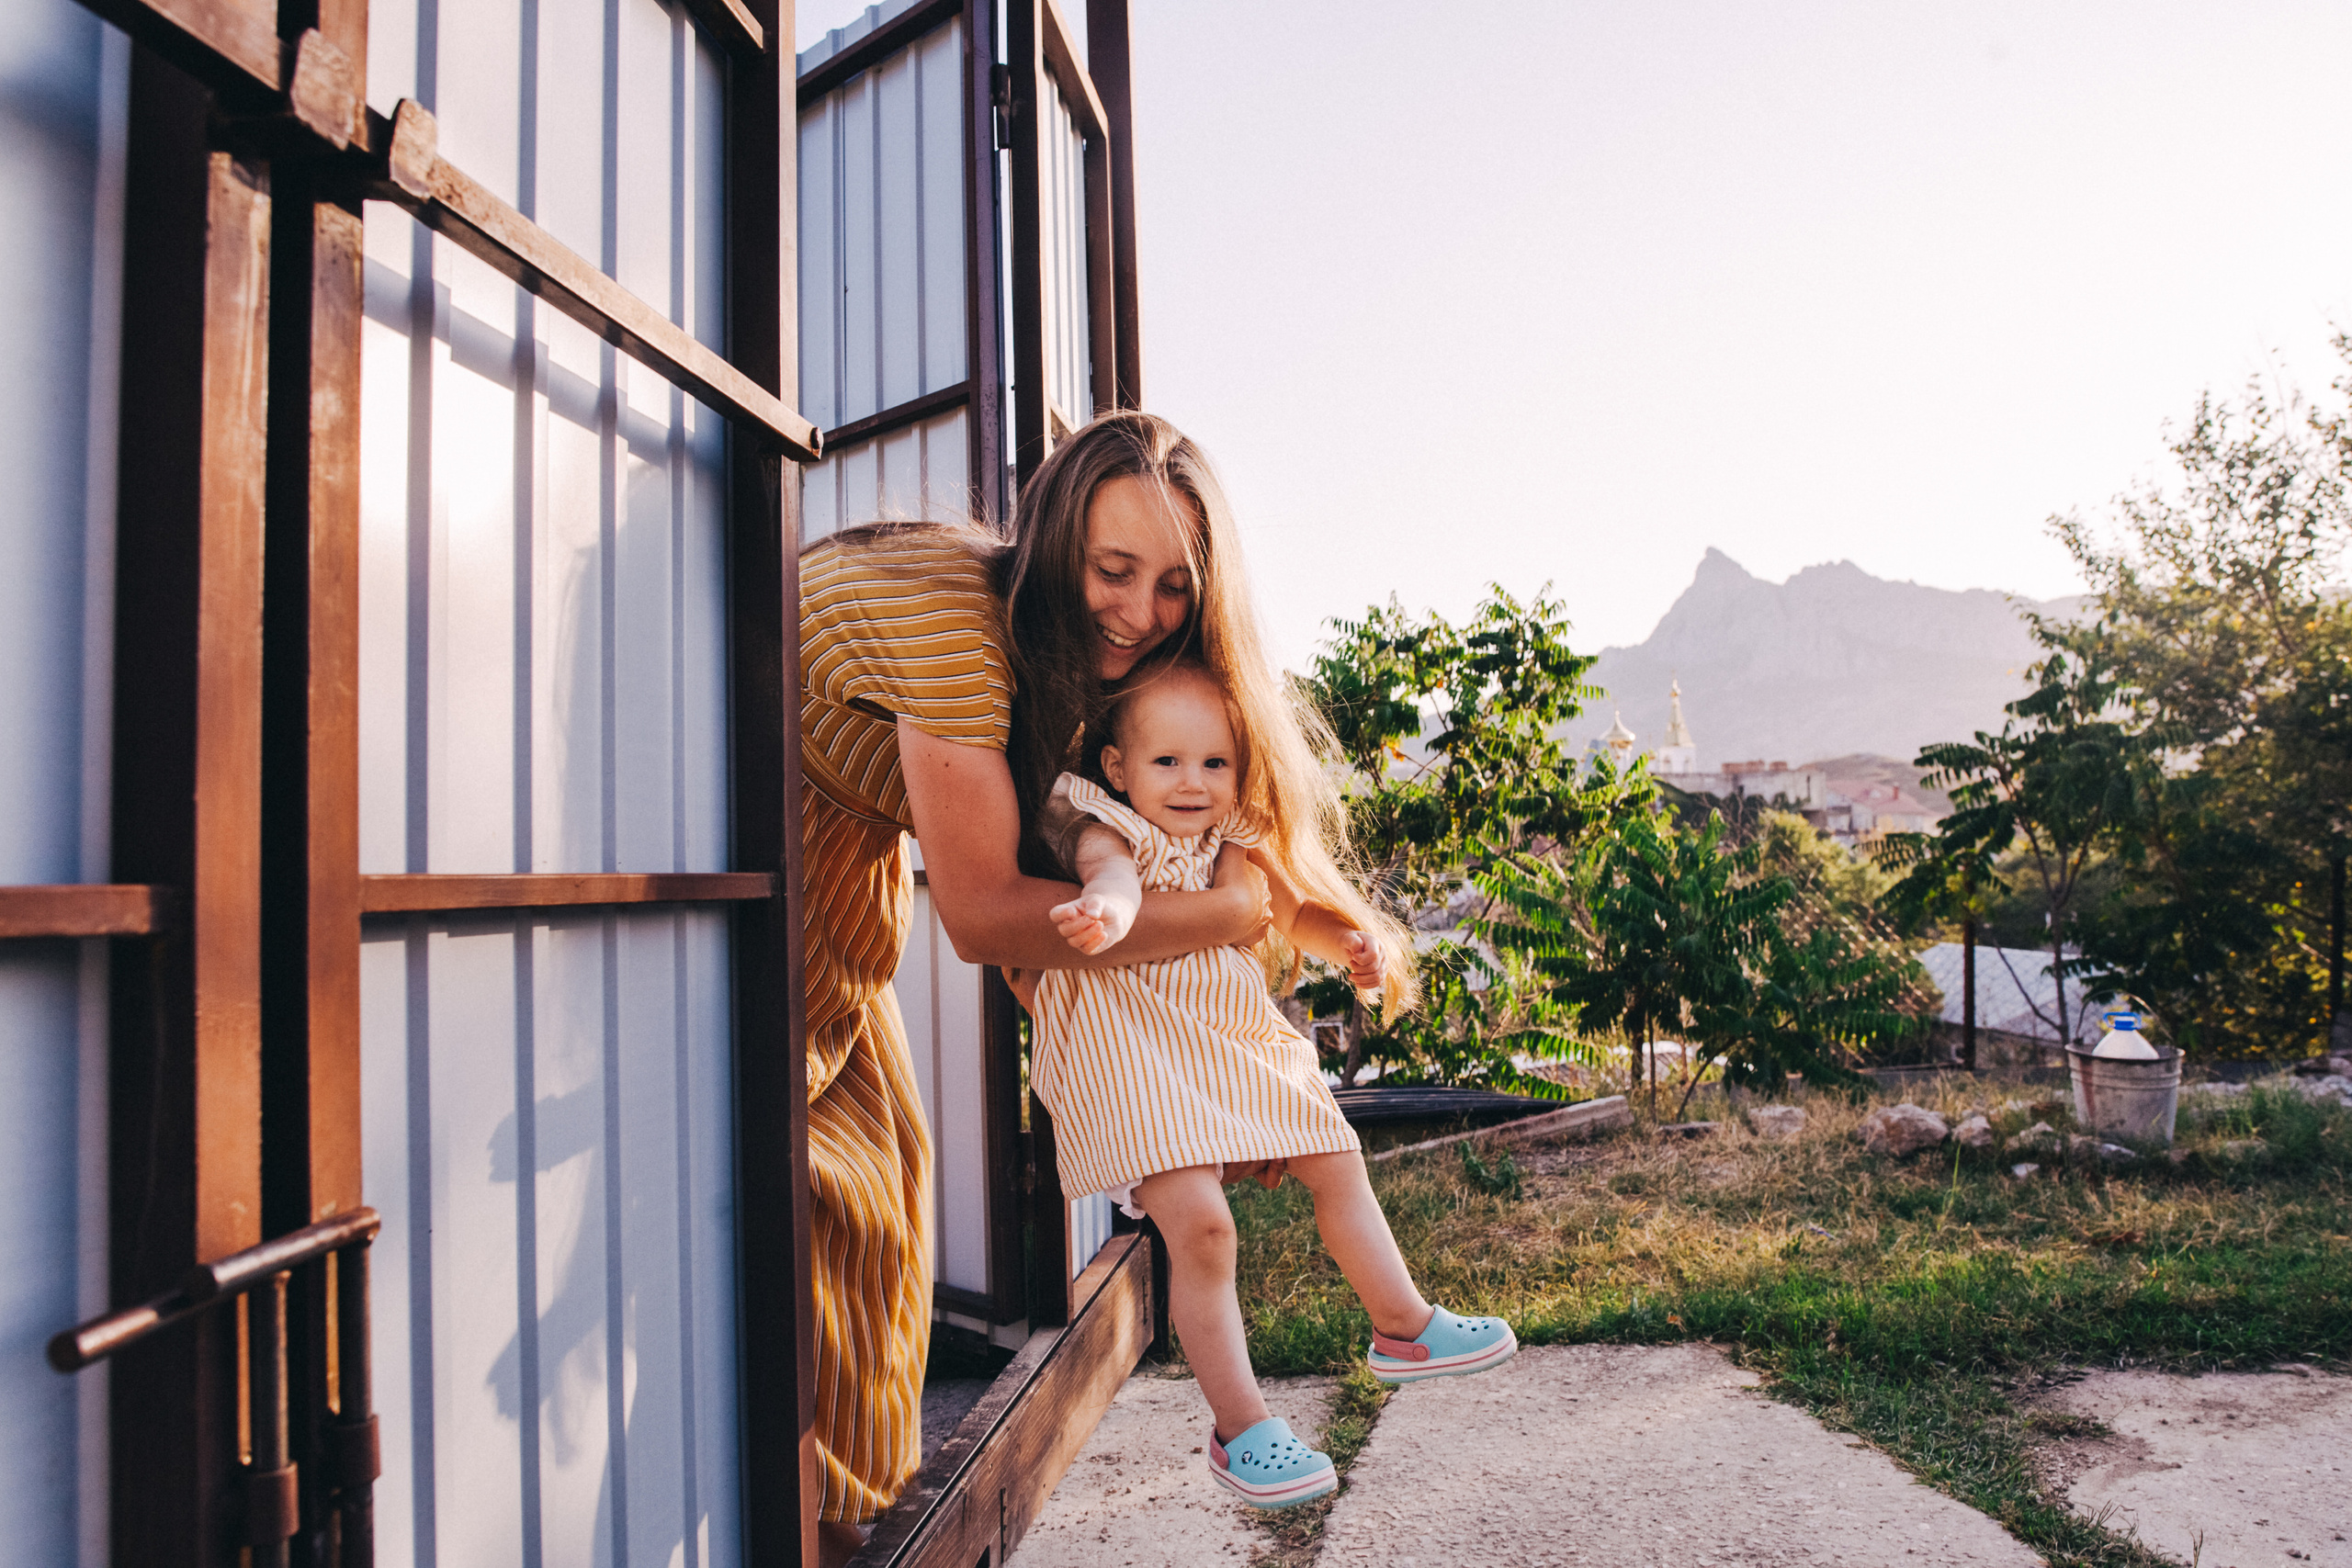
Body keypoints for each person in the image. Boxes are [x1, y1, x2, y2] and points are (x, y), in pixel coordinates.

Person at [795, 412, 1276, 1562]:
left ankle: (845, 1522)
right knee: (808, 1211)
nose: (1141, 611)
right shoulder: (957, 630)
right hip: (767, 882)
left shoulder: (1051, 663)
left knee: (885, 1194)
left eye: (1174, 585)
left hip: (843, 895)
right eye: (1114, 569)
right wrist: (1228, 914)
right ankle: (800, 1522)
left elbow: (1061, 943)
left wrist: (1215, 1105)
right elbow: (987, 917)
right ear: (1057, 538)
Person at [1019, 660, 1520, 1512]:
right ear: (1117, 767)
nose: (1193, 782)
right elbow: (1113, 879)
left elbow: (1292, 914)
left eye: (1214, 763)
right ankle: (1242, 1427)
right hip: (1131, 1050)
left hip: (1226, 1036)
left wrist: (1349, 942)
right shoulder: (1102, 822)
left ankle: (1403, 1323)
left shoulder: (1234, 838)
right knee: (1203, 1228)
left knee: (1334, 1150)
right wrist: (1105, 913)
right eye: (1168, 761)